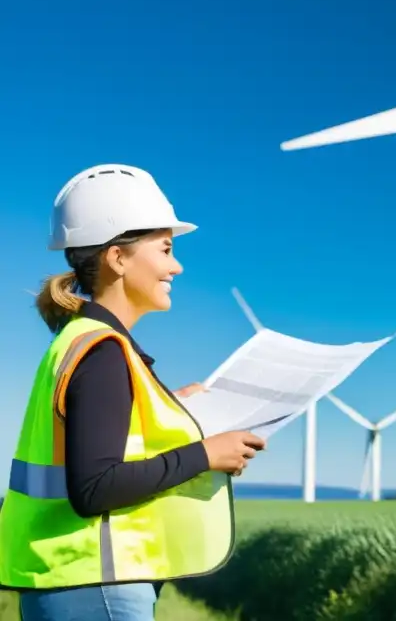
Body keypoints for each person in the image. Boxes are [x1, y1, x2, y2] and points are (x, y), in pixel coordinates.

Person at [0, 163, 268, 621]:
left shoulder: (81, 340)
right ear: (117, 258)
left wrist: (174, 407)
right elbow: (95, 487)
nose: (176, 266)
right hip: (94, 587)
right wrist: (206, 454)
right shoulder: (103, 353)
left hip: (70, 583)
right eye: (165, 249)